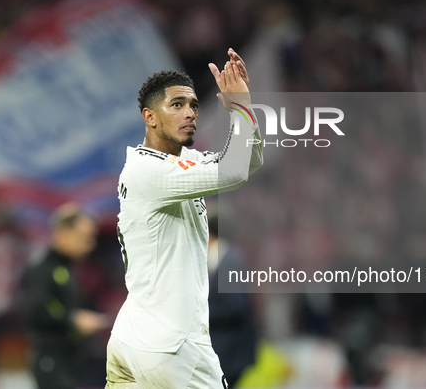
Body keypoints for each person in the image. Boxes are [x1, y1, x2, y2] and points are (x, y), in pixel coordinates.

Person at [105, 48, 263, 388]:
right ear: (149, 116)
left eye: (193, 104)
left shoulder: (177, 164)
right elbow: (234, 170)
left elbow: (246, 163)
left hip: (133, 337)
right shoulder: (151, 171)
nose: (190, 112)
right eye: (177, 105)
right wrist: (240, 108)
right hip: (173, 346)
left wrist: (244, 109)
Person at [23, 203, 110, 389]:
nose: (89, 245)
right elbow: (34, 310)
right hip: (51, 359)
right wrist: (73, 320)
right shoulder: (43, 268)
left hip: (69, 358)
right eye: (83, 238)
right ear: (62, 233)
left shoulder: (66, 268)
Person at [207, 214, 257, 388]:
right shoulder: (225, 259)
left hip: (231, 352)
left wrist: (202, 314)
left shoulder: (230, 261)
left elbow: (236, 306)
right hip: (227, 350)